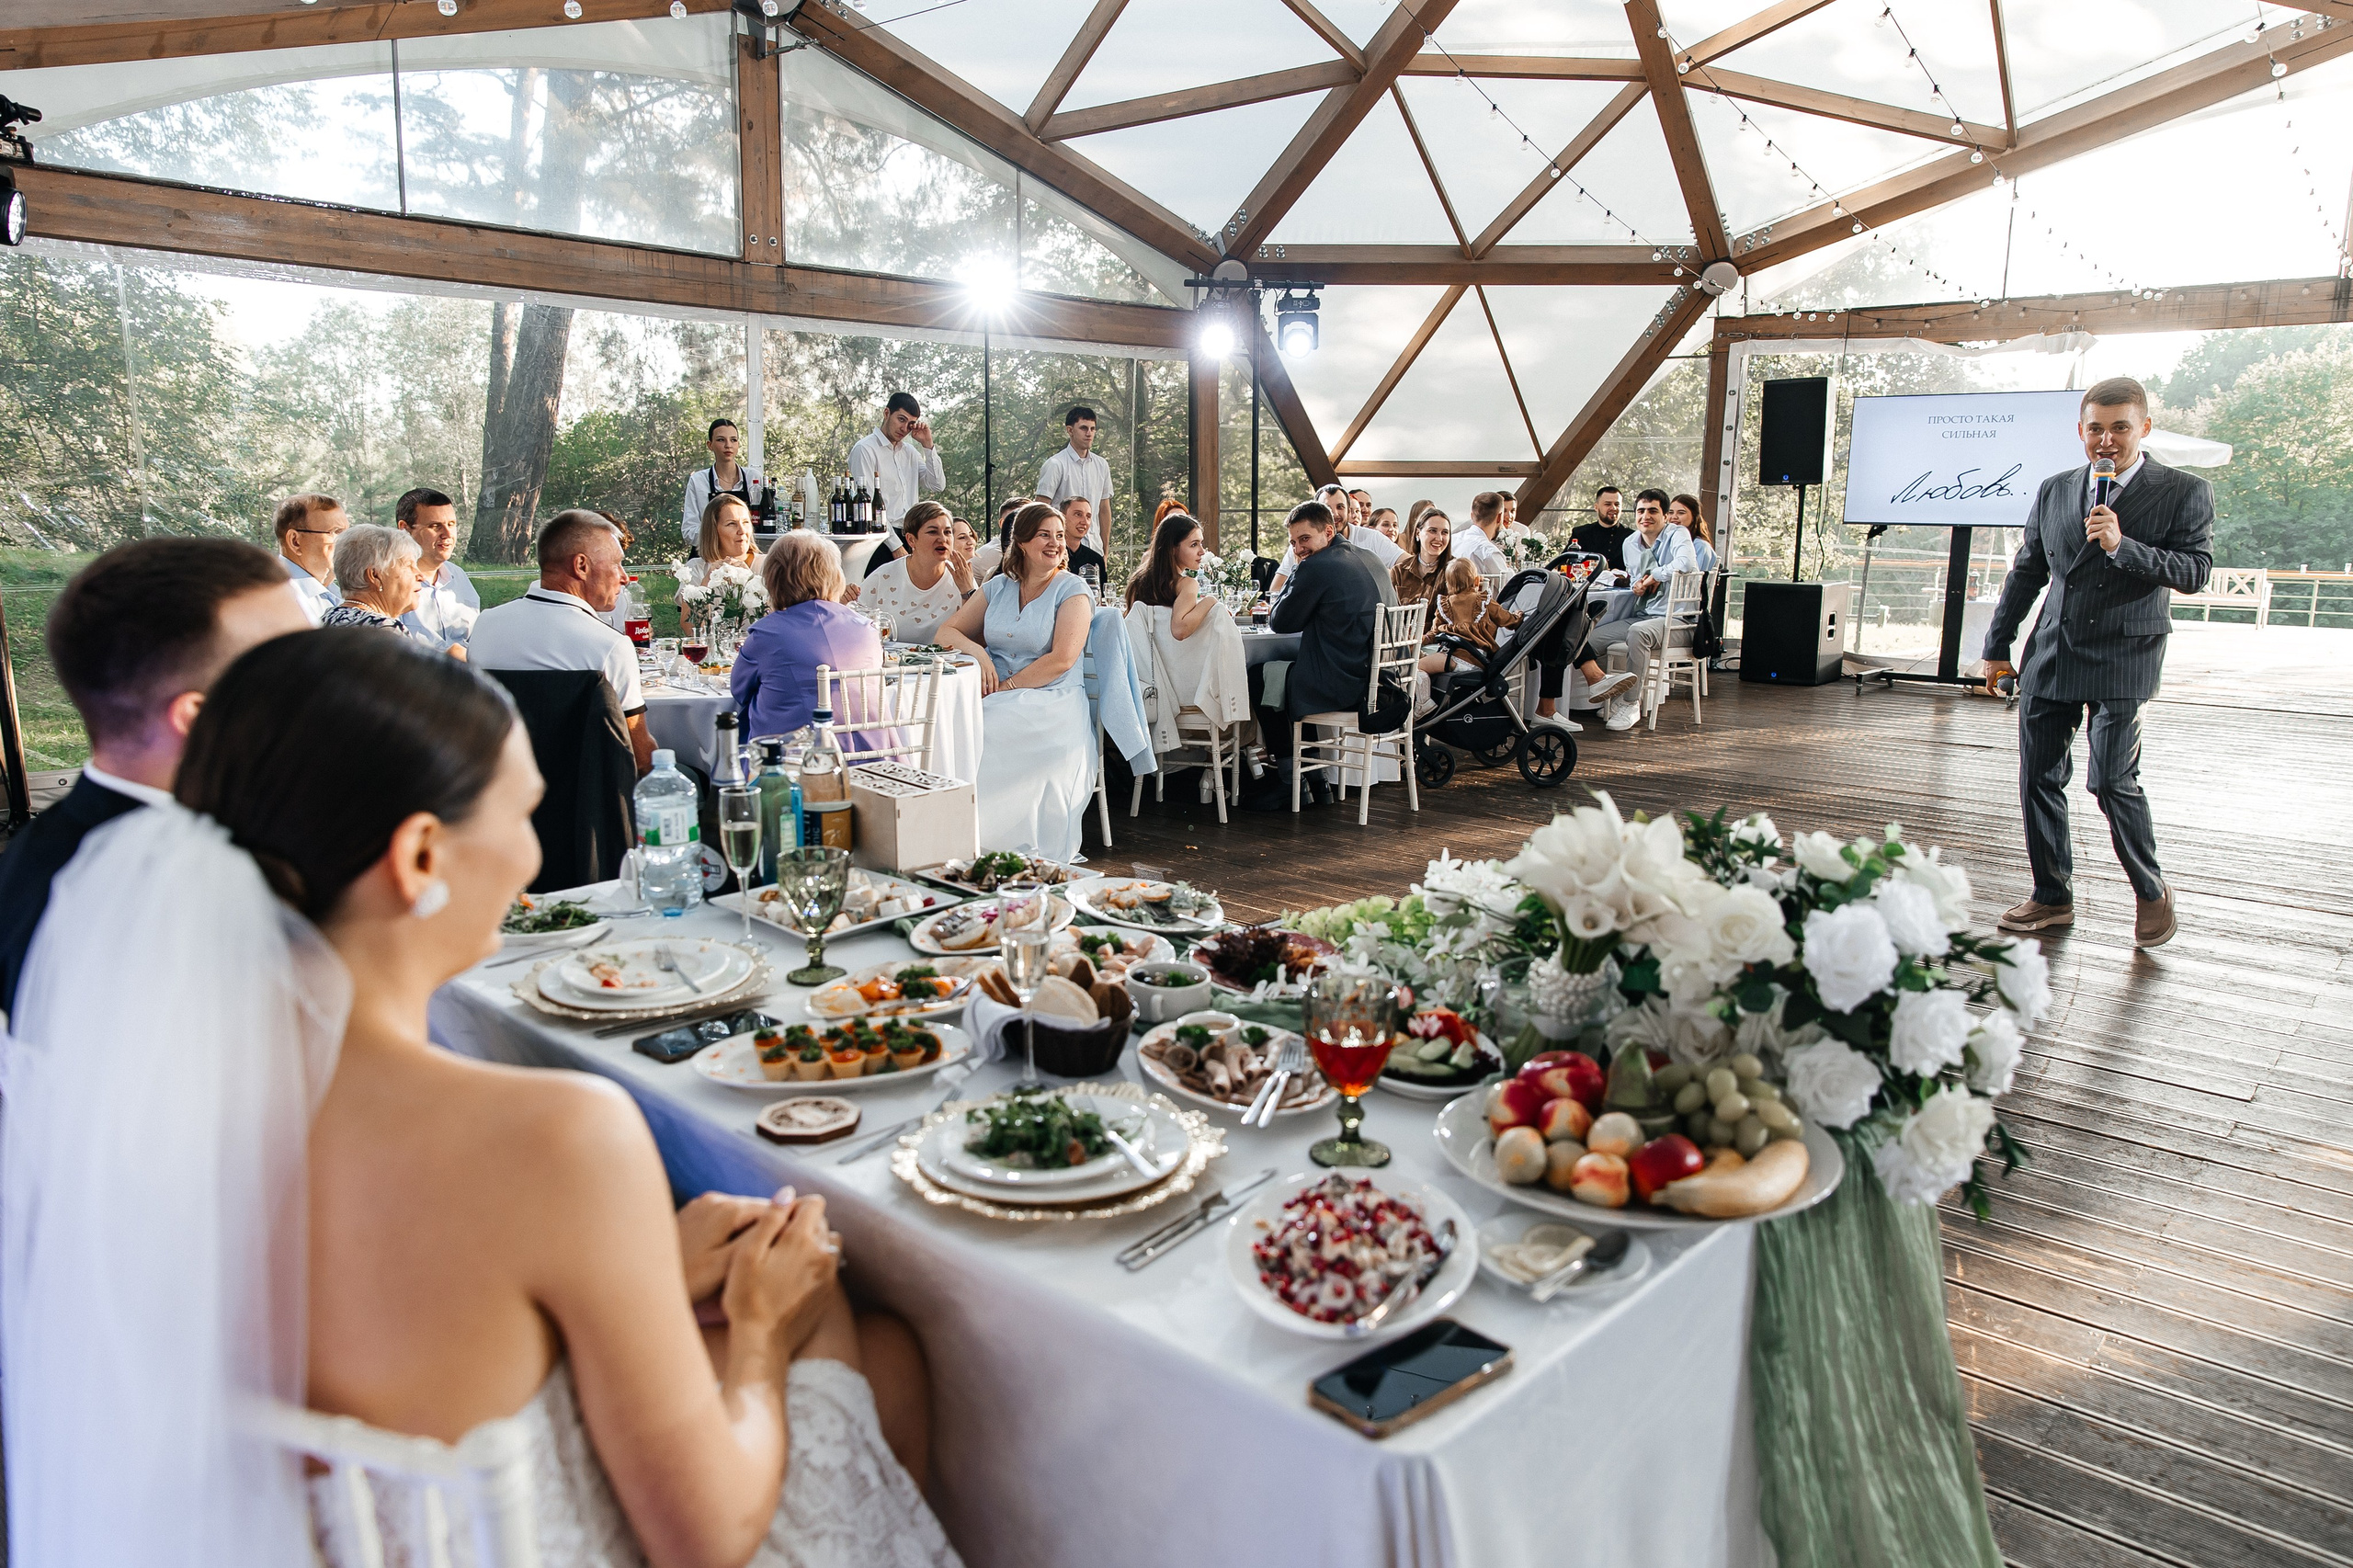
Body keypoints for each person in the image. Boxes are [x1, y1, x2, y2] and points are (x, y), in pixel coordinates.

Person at [1, 628, 958, 1566]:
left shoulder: (131, 1112)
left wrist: (645, 1266)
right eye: (519, 817)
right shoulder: (557, 1135)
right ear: (420, 855)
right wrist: (757, 1326)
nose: (532, 861)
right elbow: (706, 1539)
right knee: (848, 1318)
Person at [0, 538, 306, 1019]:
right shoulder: (160, 901)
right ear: (200, 718)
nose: (323, 685)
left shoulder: (48, 846)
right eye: (296, 668)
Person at [1983, 376, 2212, 949]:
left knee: (2111, 780)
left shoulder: (2185, 491)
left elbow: (2195, 572)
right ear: (2081, 431)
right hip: (2054, 652)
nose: (2106, 440)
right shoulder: (2055, 488)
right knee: (2039, 777)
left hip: (2125, 655)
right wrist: (1996, 647)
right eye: (2095, 429)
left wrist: (2121, 546)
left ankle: (2150, 888)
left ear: (2145, 429)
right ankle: (2052, 897)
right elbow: (2027, 572)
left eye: (2120, 428)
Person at [937, 503, 1095, 859]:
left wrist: (1007, 688)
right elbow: (946, 632)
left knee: (983, 723)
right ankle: (957, 835)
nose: (1055, 543)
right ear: (1021, 542)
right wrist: (978, 653)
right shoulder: (998, 587)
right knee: (956, 722)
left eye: (1058, 535)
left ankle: (992, 842)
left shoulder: (1073, 590)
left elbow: (1062, 659)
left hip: (1052, 700)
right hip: (998, 696)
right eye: (1044, 535)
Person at [468, 510, 654, 774]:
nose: (624, 577)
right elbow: (642, 759)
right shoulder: (609, 646)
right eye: (617, 563)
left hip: (503, 794)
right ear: (581, 566)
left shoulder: (485, 625)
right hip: (591, 804)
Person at [1242, 500, 1395, 811]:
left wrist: (1299, 571)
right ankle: (1317, 780)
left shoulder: (1318, 566)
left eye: (1304, 539)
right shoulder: (1371, 558)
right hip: (1381, 680)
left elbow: (1281, 621)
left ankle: (1290, 781)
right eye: (1293, 543)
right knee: (1288, 674)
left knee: (1260, 676)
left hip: (1345, 685)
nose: (1298, 549)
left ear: (1328, 532)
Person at [728, 530, 886, 743]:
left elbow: (740, 692)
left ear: (775, 578)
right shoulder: (866, 629)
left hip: (795, 762)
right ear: (834, 575)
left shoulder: (766, 634)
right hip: (872, 760)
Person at [1581, 489, 1697, 732]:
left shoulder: (1678, 534)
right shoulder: (1630, 542)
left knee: (1638, 633)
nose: (1646, 516)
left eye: (1653, 510)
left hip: (1677, 622)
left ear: (1665, 515)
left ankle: (1631, 703)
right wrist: (1637, 585)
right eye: (1641, 511)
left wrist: (1655, 575)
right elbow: (1637, 578)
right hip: (1644, 616)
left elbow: (1685, 563)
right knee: (1589, 636)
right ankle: (1608, 697)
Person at [849, 392, 947, 573]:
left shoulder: (910, 452)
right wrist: (895, 546)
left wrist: (928, 445)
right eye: (901, 419)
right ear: (887, 413)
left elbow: (937, 485)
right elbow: (870, 503)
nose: (904, 428)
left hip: (911, 536)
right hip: (880, 538)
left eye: (910, 424)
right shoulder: (865, 449)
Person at [860, 502, 977, 645]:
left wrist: (967, 592)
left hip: (950, 664)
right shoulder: (883, 577)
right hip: (894, 665)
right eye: (933, 532)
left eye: (947, 532)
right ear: (911, 539)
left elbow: (976, 637)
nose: (943, 539)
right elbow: (855, 622)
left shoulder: (963, 576)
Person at [1268, 483, 1403, 595]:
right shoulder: (1301, 547)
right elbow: (1275, 590)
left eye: (1340, 507)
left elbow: (1408, 563)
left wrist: (1384, 577)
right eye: (1326, 508)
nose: (1334, 514)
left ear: (1349, 510)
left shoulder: (1371, 537)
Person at [395, 486, 480, 654]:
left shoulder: (459, 577)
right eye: (435, 526)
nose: (448, 534)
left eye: (451, 524)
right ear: (404, 528)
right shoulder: (390, 582)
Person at [1123, 508, 1217, 640]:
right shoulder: (1186, 585)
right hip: (1174, 660)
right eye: (1194, 545)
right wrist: (1211, 601)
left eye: (1201, 543)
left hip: (1140, 658)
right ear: (1173, 549)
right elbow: (1179, 630)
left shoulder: (1137, 581)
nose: (1202, 551)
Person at [322, 525, 426, 640]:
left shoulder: (327, 618)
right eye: (409, 566)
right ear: (375, 575)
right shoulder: (386, 630)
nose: (422, 576)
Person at [1421, 557, 1520, 675]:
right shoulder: (1484, 601)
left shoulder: (1445, 605)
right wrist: (1517, 617)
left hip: (1453, 657)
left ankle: (1420, 693)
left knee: (1414, 669)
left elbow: (1434, 632)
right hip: (1479, 658)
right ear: (1477, 581)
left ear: (1448, 584)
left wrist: (1422, 639)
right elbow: (1506, 620)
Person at [1037, 406, 1113, 558]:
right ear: (1070, 430)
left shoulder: (1102, 465)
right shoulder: (1055, 464)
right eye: (1084, 428)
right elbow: (1040, 508)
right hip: (1061, 549)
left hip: (1094, 547)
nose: (1089, 433)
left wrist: (1105, 550)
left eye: (1093, 429)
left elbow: (1104, 509)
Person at [275, 492, 347, 625]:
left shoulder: (338, 592)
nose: (348, 541)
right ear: (295, 541)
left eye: (348, 532)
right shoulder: (277, 597)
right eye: (336, 532)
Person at [682, 416, 762, 535]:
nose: (728, 445)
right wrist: (722, 538)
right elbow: (689, 530)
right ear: (710, 445)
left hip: (746, 550)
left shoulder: (754, 478)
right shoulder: (698, 481)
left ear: (738, 444)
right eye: (721, 440)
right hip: (709, 552)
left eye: (733, 440)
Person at [679, 493, 764, 591]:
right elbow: (688, 606)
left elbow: (779, 605)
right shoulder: (696, 568)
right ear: (713, 531)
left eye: (746, 522)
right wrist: (707, 582)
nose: (742, 530)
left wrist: (750, 580)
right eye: (731, 524)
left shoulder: (769, 565)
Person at [1390, 506, 1455, 608]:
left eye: (1445, 532)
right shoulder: (1399, 572)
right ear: (1418, 533)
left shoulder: (1456, 571)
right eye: (1432, 531)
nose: (1439, 538)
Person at [1449, 491, 1514, 579]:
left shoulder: (1452, 540)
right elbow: (1509, 585)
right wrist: (1509, 569)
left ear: (1472, 516)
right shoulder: (1489, 551)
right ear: (1499, 517)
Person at [1572, 485, 1633, 571]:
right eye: (1608, 504)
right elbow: (1565, 564)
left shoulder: (1632, 537)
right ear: (1596, 507)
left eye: (1617, 504)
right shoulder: (1580, 533)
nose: (1614, 508)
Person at [1062, 494, 1108, 592]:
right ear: (1062, 517)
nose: (1084, 521)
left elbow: (1102, 599)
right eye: (1078, 514)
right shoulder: (1052, 556)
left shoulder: (1096, 560)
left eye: (1088, 517)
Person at [1669, 494, 1719, 573]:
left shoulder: (1700, 546)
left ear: (1694, 516)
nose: (1674, 517)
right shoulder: (1667, 543)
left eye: (1681, 513)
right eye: (1671, 512)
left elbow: (1692, 581)